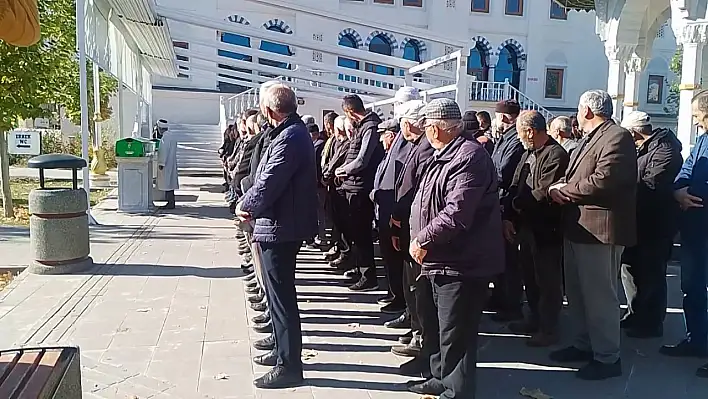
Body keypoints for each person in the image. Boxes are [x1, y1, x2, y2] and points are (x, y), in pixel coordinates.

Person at [406, 98, 503, 397]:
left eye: (426, 127)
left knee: (456, 332)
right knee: (438, 326)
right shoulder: (445, 154)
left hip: (461, 261)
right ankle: (441, 377)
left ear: (435, 129)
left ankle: (458, 390)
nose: (424, 132)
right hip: (441, 258)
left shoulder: (468, 156)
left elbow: (457, 213)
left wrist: (423, 239)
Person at [548, 89, 637, 380]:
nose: (576, 115)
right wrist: (563, 185)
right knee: (577, 293)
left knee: (600, 297)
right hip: (579, 228)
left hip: (600, 230)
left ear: (587, 110)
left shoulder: (617, 137)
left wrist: (564, 191)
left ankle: (608, 357)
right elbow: (580, 175)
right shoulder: (591, 137)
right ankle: (584, 344)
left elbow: (604, 180)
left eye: (577, 109)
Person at [236, 83, 317, 389]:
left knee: (282, 298)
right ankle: (281, 348)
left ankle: (289, 365)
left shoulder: (291, 136)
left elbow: (270, 180)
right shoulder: (289, 132)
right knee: (276, 295)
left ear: (270, 110)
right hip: (280, 224)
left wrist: (246, 204)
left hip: (282, 227)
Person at [503, 111, 569, 347]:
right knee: (529, 276)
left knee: (548, 281)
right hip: (525, 225)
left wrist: (516, 204)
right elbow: (515, 184)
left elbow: (543, 191)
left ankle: (549, 328)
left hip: (546, 229)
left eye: (521, 132)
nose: (520, 137)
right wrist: (508, 215)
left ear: (530, 131)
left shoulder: (556, 154)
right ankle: (534, 318)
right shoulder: (528, 153)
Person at [618, 111, 682, 339]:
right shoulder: (642, 148)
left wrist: (623, 186)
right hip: (637, 220)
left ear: (634, 131)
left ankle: (652, 322)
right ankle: (635, 313)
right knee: (630, 270)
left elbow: (651, 184)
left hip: (656, 223)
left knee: (652, 273)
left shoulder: (665, 149)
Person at [662, 89, 708, 378]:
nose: (695, 122)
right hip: (695, 228)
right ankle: (697, 339)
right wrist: (679, 192)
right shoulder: (703, 140)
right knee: (692, 286)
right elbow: (685, 171)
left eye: (697, 115)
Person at [389, 99, 436, 375]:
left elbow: (418, 190)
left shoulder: (427, 148)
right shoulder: (418, 145)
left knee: (421, 290)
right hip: (409, 226)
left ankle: (423, 341)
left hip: (419, 230)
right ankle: (418, 333)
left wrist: (399, 216)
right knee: (412, 286)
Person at [336, 95, 385, 291]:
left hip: (361, 188)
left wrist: (343, 170)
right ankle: (359, 269)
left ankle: (368, 276)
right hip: (353, 186)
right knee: (355, 232)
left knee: (362, 234)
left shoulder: (370, 128)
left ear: (349, 112)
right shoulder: (362, 127)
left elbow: (362, 160)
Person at [488, 99, 525, 322]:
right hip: (499, 202)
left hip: (508, 204)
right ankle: (500, 296)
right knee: (500, 256)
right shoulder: (505, 138)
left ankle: (512, 304)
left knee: (510, 260)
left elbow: (503, 171)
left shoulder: (515, 142)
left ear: (502, 117)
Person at [371, 118, 410, 315]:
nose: (380, 140)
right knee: (388, 258)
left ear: (391, 135)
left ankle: (399, 297)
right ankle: (393, 293)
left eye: (382, 135)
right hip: (383, 212)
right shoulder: (388, 154)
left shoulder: (402, 153)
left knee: (395, 260)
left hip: (391, 214)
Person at [156, 119, 179, 210]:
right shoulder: (172, 136)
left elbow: (164, 151)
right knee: (170, 184)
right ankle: (171, 202)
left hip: (166, 164)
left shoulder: (165, 138)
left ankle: (170, 203)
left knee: (167, 184)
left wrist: (161, 163)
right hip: (171, 162)